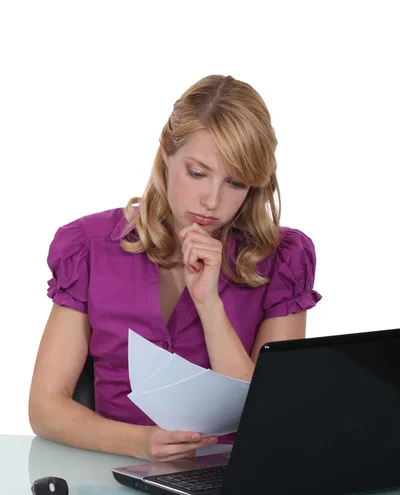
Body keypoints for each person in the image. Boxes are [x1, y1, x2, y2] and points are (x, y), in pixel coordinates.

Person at [29, 74, 322, 462]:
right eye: (197, 173)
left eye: (235, 183)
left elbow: (273, 419)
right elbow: (46, 407)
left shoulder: (282, 259)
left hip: (230, 480)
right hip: (112, 480)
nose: (211, 200)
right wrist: (139, 443)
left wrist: (210, 306)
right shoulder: (88, 247)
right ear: (167, 152)